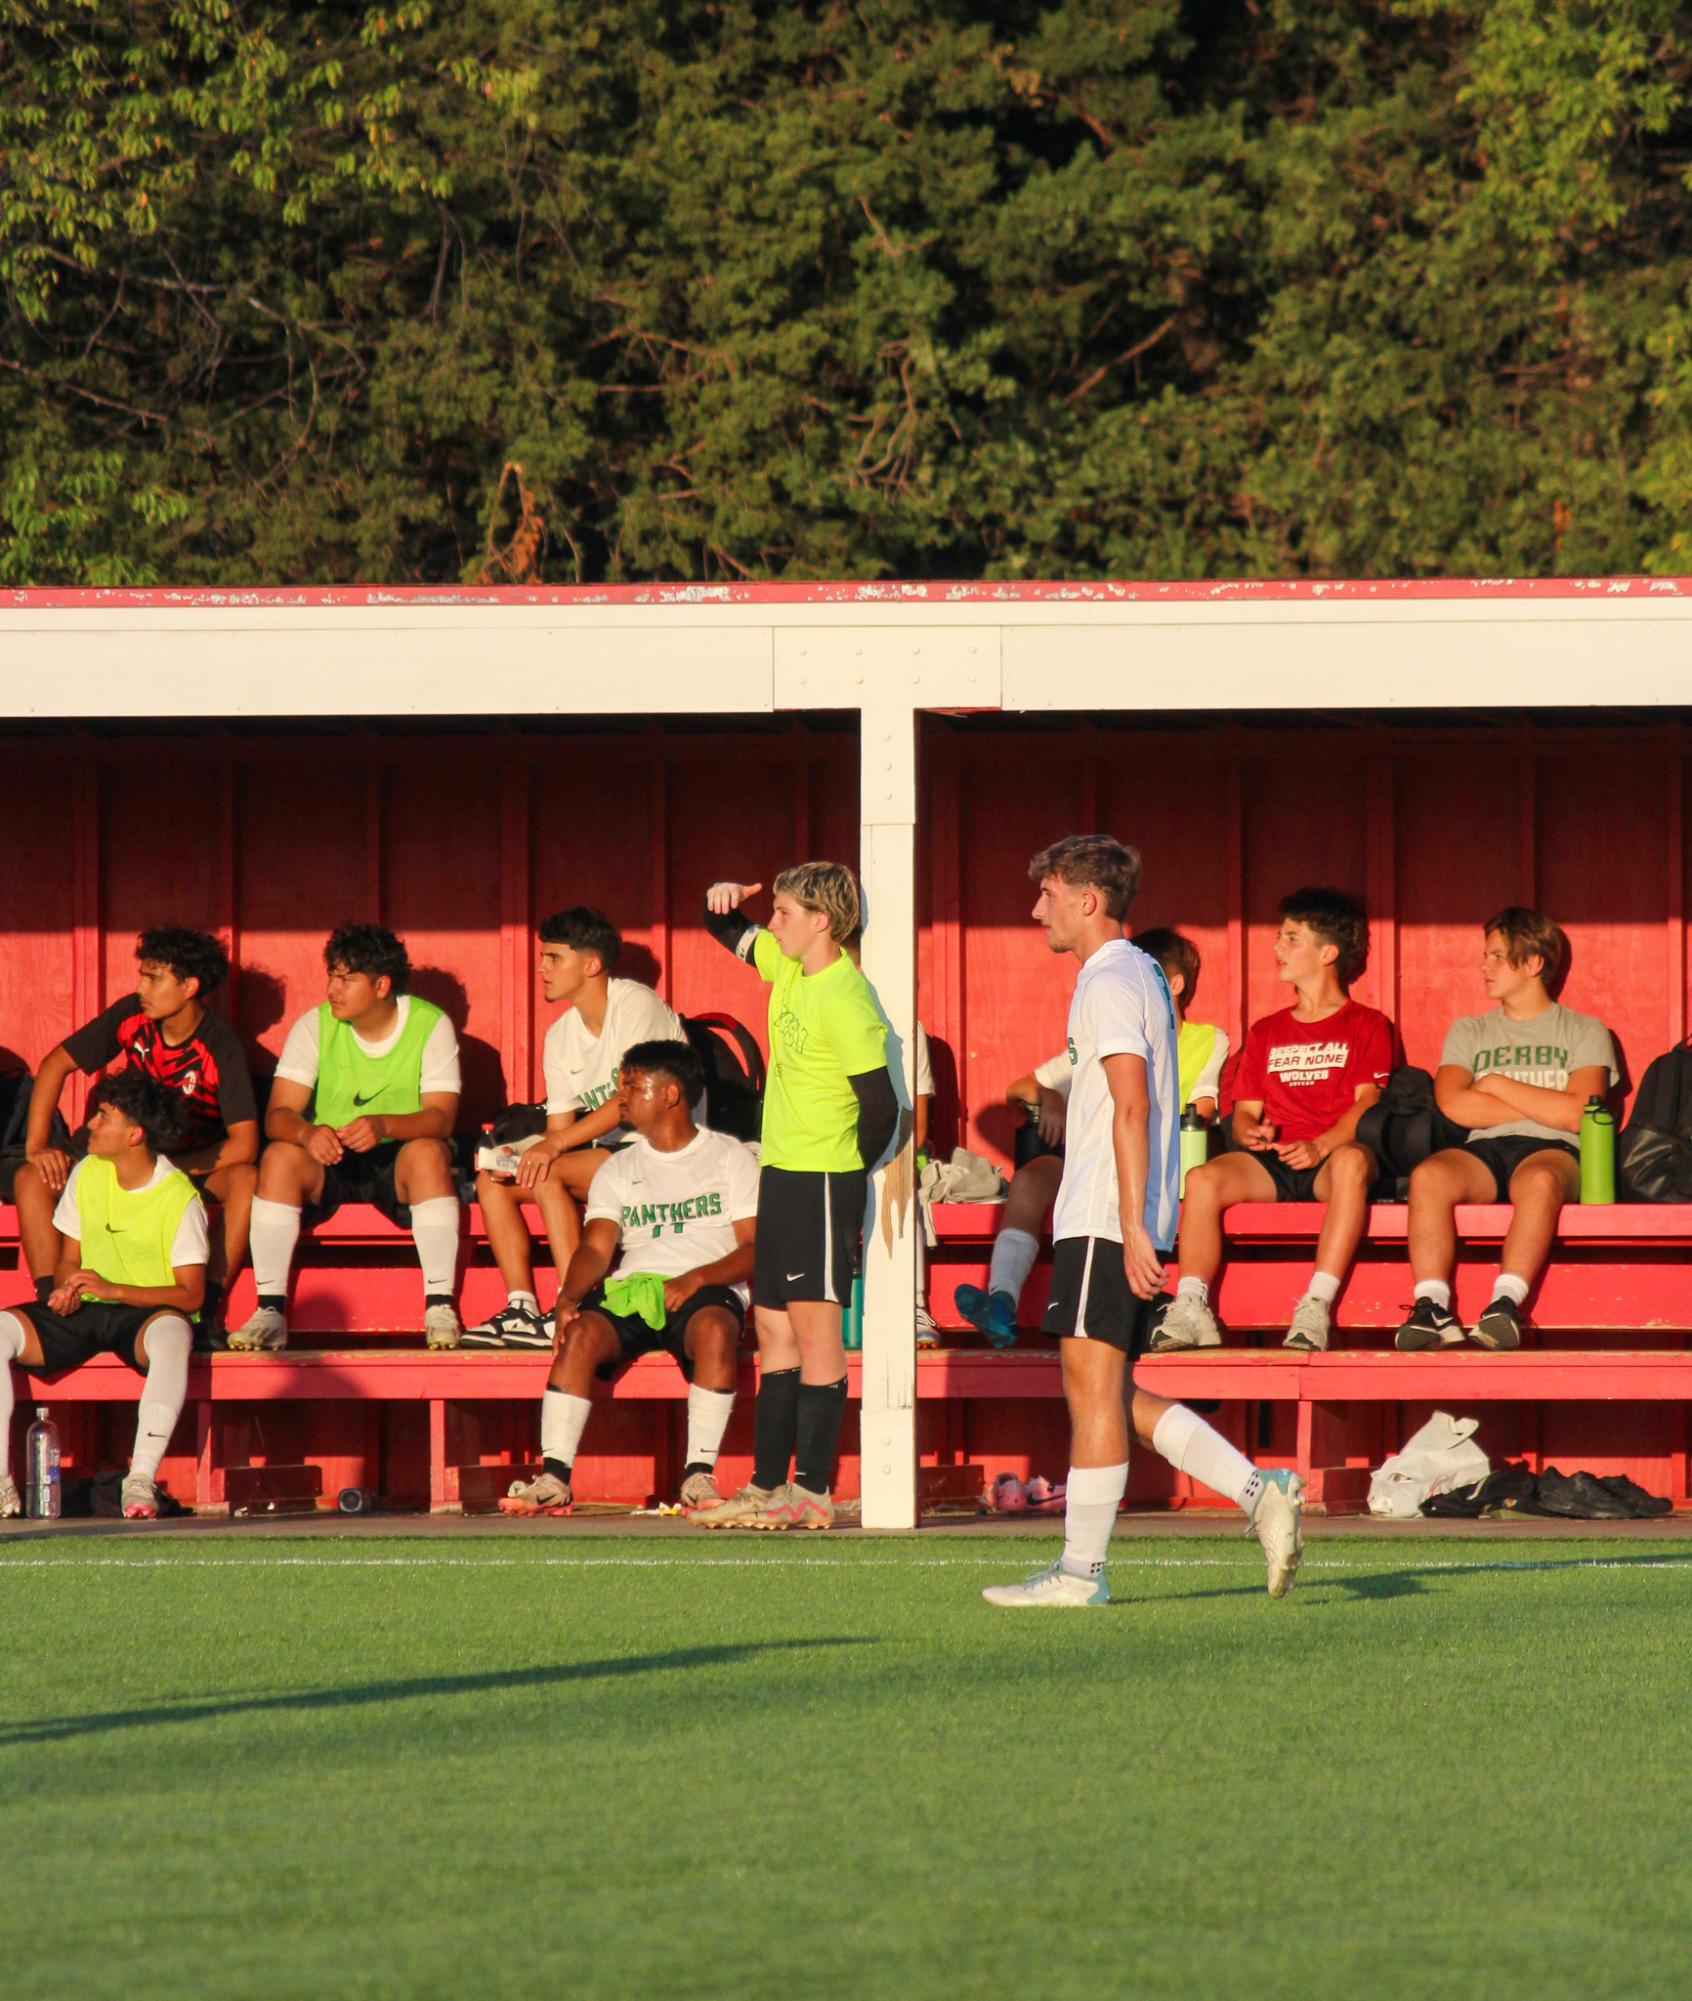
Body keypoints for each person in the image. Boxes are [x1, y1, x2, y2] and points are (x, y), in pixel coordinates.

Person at [983, 836, 1304, 1607]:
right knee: (1111, 1388)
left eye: (1050, 893)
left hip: (1104, 1211)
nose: (1038, 909)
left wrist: (1127, 1222)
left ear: (1087, 899)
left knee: (1090, 1390)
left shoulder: (1110, 977)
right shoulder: (1138, 973)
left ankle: (1079, 1573)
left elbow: (1133, 1103)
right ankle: (1261, 1490)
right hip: (1110, 1209)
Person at [691, 864, 898, 1530]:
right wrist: (722, 898)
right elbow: (721, 924)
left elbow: (881, 1105)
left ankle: (812, 1488)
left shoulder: (848, 997)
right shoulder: (785, 968)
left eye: (783, 913)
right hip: (778, 1172)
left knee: (816, 1334)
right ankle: (766, 1483)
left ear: (822, 922)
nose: (770, 923)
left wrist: (845, 1170)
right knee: (774, 1328)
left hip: (822, 1178)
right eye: (772, 911)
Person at [500, 1040, 758, 1516]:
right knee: (580, 1334)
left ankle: (697, 1477)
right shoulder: (618, 1166)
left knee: (717, 1330)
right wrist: (568, 1297)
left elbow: (754, 1249)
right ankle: (554, 1478)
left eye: (633, 1087)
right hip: (633, 1289)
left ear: (671, 1095)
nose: (621, 1098)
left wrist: (697, 1279)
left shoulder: (730, 1157)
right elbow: (597, 1246)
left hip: (703, 1289)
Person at [956, 927, 1227, 1347]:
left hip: (1152, 1167)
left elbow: (1203, 1108)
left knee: (1096, 1373)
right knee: (1029, 1178)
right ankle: (1002, 1299)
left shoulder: (1204, 1040)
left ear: (1170, 983)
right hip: (1091, 1163)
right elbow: (1021, 1086)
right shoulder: (1109, 1026)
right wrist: (1050, 1098)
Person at [1154, 888, 1395, 1354]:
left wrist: (1322, 1146)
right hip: (1274, 1159)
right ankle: (1190, 1306)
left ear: (1328, 953)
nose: (1277, 948)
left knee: (1352, 1166)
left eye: (1291, 939)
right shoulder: (1267, 1030)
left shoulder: (1368, 1024)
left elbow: (1368, 1103)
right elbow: (1244, 1111)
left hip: (1330, 1158)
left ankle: (1315, 1305)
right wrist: (1250, 1133)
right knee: (1203, 1178)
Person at [13, 926, 257, 1345]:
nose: (141, 988)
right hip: (112, 1160)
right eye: (142, 976)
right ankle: (55, 1300)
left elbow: (245, 1144)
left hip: (184, 1164)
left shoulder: (220, 1046)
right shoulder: (132, 1015)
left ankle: (207, 1314)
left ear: (189, 986)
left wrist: (167, 1171)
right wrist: (38, 1146)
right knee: (28, 1178)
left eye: (154, 978)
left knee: (247, 1179)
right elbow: (55, 1064)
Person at [226, 924, 464, 1352]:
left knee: (430, 1153)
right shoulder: (314, 1026)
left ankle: (440, 1306)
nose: (332, 988)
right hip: (330, 1156)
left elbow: (441, 1118)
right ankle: (270, 1310)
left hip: (398, 1160)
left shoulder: (430, 1024)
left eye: (346, 979)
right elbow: (278, 1116)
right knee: (280, 1156)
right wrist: (306, 1132)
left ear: (381, 985)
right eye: (332, 976)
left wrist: (385, 1125)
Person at [465, 908, 690, 1350]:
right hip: (612, 1160)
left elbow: (630, 1102)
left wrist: (552, 1149)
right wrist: (520, 1154)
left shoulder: (634, 1004)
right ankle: (522, 1307)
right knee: (495, 1183)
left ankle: (576, 1304)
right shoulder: (560, 1035)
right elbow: (560, 1128)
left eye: (553, 957)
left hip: (666, 1153)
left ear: (590, 965)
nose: (541, 967)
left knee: (550, 1171)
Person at [1396, 908, 1616, 1351]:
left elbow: (1578, 1115)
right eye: (1486, 956)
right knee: (1429, 1176)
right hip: (1485, 1148)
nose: (1484, 967)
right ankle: (1431, 1306)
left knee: (1540, 1181)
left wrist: (1496, 1084)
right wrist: (1543, 1103)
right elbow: (1454, 1104)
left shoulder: (1584, 1031)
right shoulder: (1470, 1030)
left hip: (1555, 1149)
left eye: (1497, 956)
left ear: (1533, 963)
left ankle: (1504, 1305)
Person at [0, 1070, 206, 1521]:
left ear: (134, 1135)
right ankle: (1, 1483)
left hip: (144, 1314)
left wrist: (114, 1289)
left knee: (174, 1334)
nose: (89, 1124)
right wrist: (69, 1288)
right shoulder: (89, 1172)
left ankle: (141, 1479)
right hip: (88, 1309)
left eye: (103, 1116)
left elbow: (190, 1296)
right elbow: (69, 1258)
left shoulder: (179, 1197)